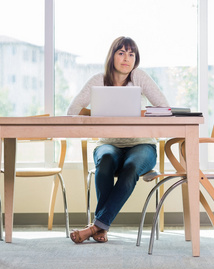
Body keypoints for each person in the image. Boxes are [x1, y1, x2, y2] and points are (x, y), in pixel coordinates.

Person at [67, 36, 169, 243]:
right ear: (112, 56)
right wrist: (94, 114)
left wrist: (141, 114)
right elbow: (72, 111)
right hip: (109, 144)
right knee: (104, 163)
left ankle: (96, 226)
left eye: (131, 54)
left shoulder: (139, 77)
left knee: (130, 168)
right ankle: (101, 228)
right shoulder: (98, 80)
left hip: (142, 145)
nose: (126, 58)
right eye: (121, 53)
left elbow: (165, 107)